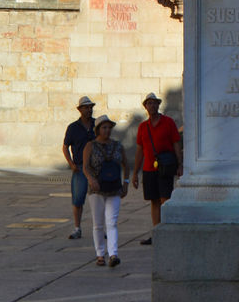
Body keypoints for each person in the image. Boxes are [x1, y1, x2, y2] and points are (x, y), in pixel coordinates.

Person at [132, 92, 182, 244]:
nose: (152, 106)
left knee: (165, 199)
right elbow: (139, 150)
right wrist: (135, 173)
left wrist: (180, 165)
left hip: (165, 166)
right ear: (145, 107)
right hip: (149, 168)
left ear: (158, 105)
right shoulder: (143, 127)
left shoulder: (168, 122)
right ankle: (157, 233)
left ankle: (168, 230)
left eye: (154, 103)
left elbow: (176, 144)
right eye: (149, 103)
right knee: (154, 200)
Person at [83, 114, 129, 267]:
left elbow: (126, 165)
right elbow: (85, 167)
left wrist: (126, 183)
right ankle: (100, 254)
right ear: (98, 129)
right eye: (104, 127)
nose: (107, 130)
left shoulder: (117, 146)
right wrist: (91, 179)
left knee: (112, 221)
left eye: (109, 127)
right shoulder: (90, 145)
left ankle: (113, 253)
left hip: (114, 188)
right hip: (97, 189)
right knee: (98, 223)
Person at [62, 95, 95, 239]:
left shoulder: (97, 125)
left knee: (98, 199)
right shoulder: (73, 128)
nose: (89, 110)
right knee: (77, 199)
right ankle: (77, 227)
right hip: (80, 167)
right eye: (86, 107)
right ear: (80, 109)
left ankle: (99, 228)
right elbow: (65, 147)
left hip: (95, 167)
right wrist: (71, 164)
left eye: (90, 107)